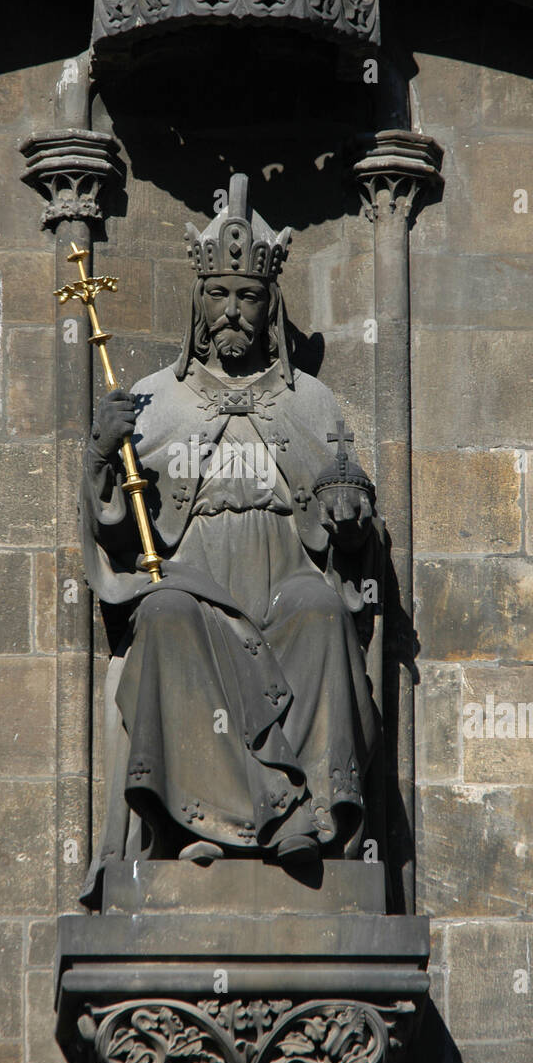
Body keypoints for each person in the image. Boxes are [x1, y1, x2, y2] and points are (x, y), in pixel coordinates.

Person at [80, 174, 382, 908]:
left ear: (268, 305)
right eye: (221, 297)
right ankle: (209, 819)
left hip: (283, 571)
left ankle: (308, 814)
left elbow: (349, 498)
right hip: (196, 579)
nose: (234, 311)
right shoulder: (155, 398)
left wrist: (348, 517)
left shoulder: (308, 400)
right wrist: (101, 457)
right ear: (199, 303)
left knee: (320, 612)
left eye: (248, 298)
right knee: (165, 617)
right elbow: (120, 529)